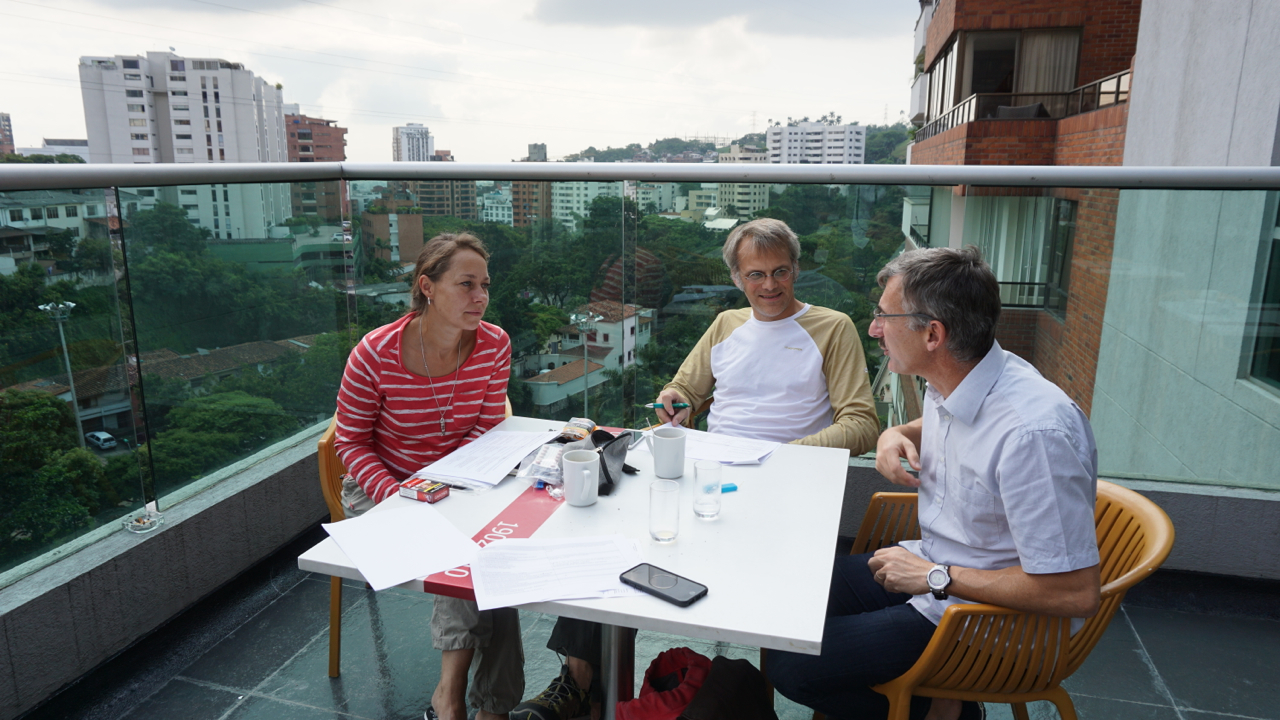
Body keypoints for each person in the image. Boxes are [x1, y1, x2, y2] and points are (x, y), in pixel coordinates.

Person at [511, 218, 880, 720]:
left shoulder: (831, 327)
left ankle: (747, 700)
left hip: (785, 486)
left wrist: (789, 450)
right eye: (755, 275)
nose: (769, 286)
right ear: (735, 277)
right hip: (712, 473)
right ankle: (580, 682)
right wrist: (675, 400)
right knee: (615, 544)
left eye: (780, 272)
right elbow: (683, 388)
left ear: (796, 270)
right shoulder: (727, 324)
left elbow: (861, 423)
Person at [766, 246, 1102, 720]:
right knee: (784, 599)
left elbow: (1075, 592)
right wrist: (894, 432)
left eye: (884, 316)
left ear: (933, 334)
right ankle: (931, 701)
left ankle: (946, 713)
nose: (874, 328)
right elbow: (950, 425)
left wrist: (931, 577)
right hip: (940, 574)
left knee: (791, 664)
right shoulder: (957, 375)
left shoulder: (1034, 434)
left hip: (989, 624)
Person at [334, 233, 521, 720]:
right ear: (428, 287)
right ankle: (457, 696)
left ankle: (489, 706)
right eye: (465, 284)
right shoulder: (375, 353)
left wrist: (452, 485)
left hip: (457, 478)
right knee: (460, 549)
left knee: (499, 558)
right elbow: (349, 442)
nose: (479, 297)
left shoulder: (495, 344)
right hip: (383, 484)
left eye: (484, 284)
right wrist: (399, 495)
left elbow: (485, 427)